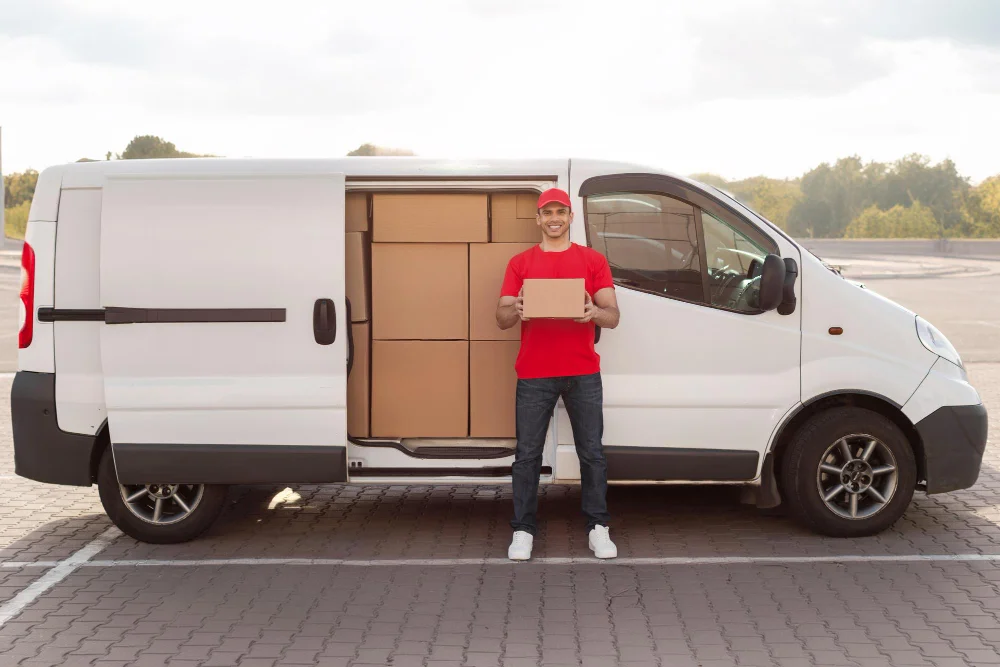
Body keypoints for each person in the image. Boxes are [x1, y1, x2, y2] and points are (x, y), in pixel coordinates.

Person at [495, 187, 621, 561]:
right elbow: (501, 318)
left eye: (560, 212)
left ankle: (598, 527)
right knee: (527, 455)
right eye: (547, 212)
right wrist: (516, 309)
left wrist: (594, 313)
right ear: (538, 218)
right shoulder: (520, 263)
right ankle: (522, 530)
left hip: (583, 371)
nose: (554, 218)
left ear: (570, 217)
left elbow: (613, 316)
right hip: (535, 372)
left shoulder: (592, 260)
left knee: (592, 453)